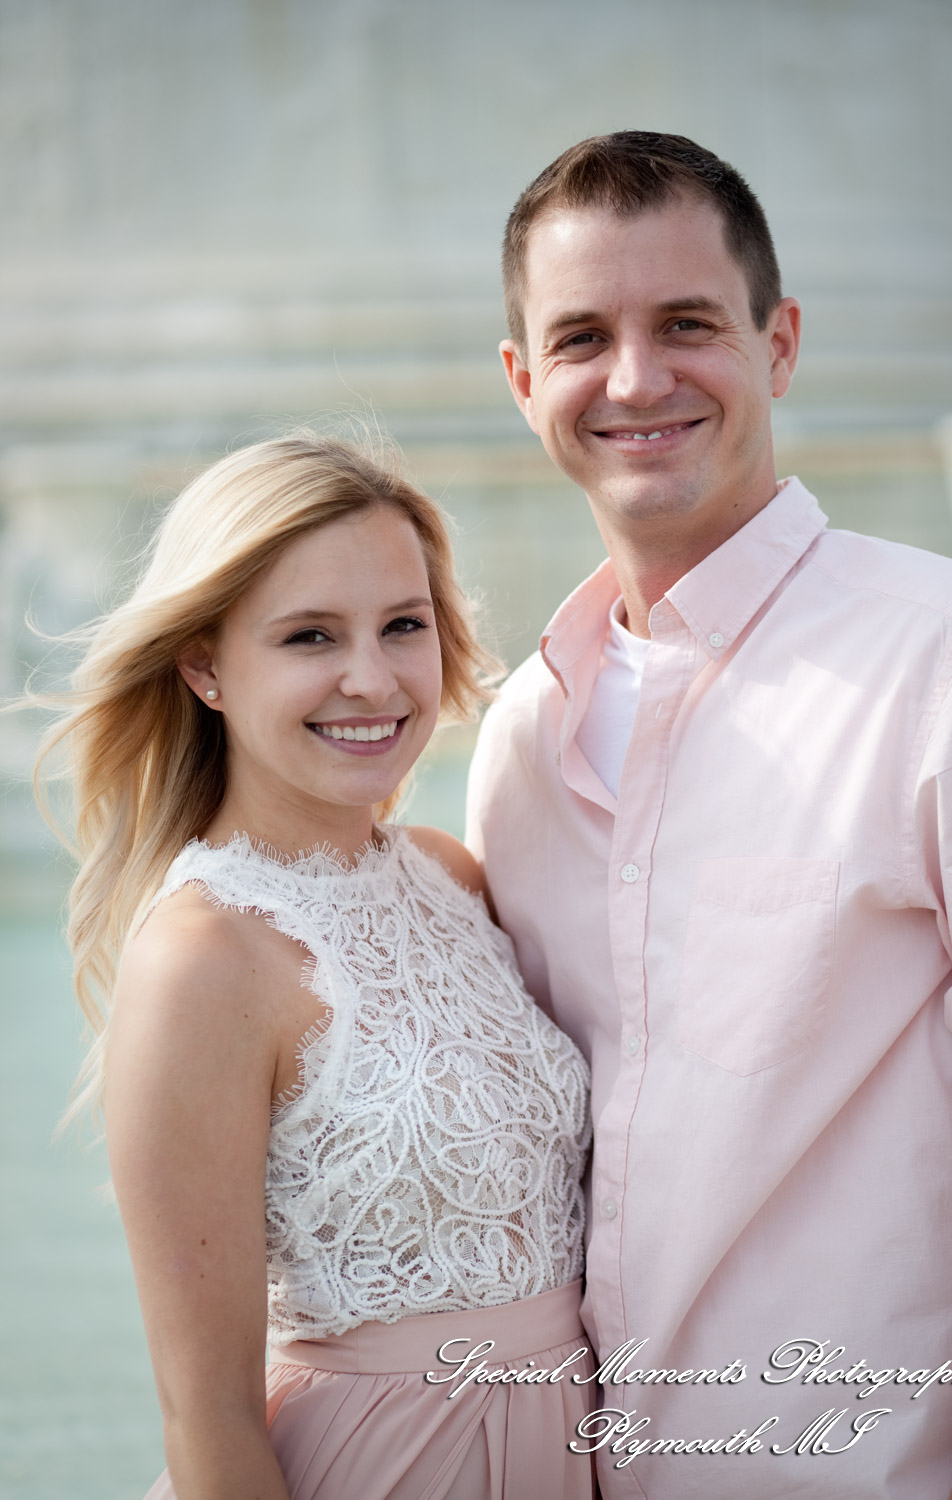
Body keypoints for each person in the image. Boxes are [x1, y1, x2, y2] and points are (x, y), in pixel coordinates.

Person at [465, 131, 952, 1500]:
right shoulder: (518, 739)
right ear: (520, 382)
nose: (634, 379)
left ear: (777, 343)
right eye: (580, 338)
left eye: (686, 325)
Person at [37, 434, 596, 1499]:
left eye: (403, 626)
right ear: (204, 665)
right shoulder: (201, 960)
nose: (371, 679)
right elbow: (204, 1414)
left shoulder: (450, 876)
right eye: (309, 636)